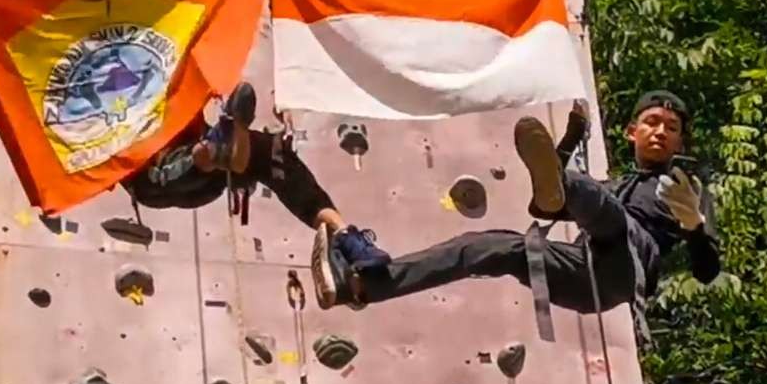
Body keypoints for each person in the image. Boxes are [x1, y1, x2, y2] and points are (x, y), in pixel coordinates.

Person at [311, 91, 720, 335]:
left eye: (671, 127)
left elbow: (707, 271)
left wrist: (695, 228)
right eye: (652, 122)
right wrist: (571, 139)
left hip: (626, 268)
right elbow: (550, 207)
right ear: (633, 132)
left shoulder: (689, 187)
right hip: (578, 272)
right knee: (489, 245)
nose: (661, 132)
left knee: (604, 211)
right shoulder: (615, 185)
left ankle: (566, 181)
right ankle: (365, 286)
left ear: (681, 139)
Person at [124, 81, 391, 270]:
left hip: (211, 172)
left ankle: (344, 236)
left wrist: (288, 95)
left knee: (272, 153)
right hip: (152, 180)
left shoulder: (179, 58)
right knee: (176, 163)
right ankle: (216, 149)